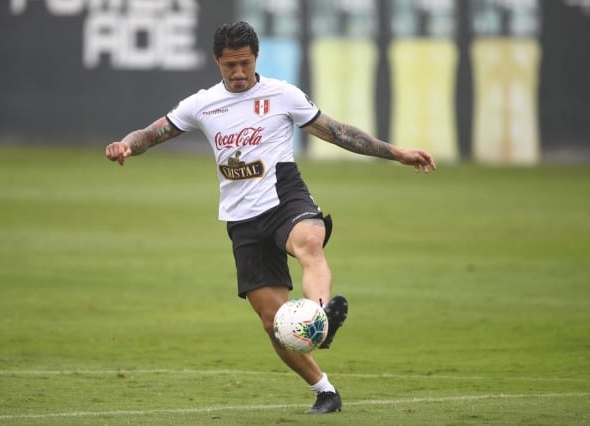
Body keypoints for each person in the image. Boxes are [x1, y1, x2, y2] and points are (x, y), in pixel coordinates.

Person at [105, 21, 436, 414]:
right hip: (242, 219)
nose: (239, 72)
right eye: (230, 65)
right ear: (216, 61)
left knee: (310, 243)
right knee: (273, 322)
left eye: (245, 63)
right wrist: (126, 145)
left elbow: (339, 133)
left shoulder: (282, 95)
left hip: (285, 197)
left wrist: (397, 153)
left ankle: (320, 319)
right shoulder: (201, 104)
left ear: (256, 57)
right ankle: (325, 392)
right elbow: (151, 133)